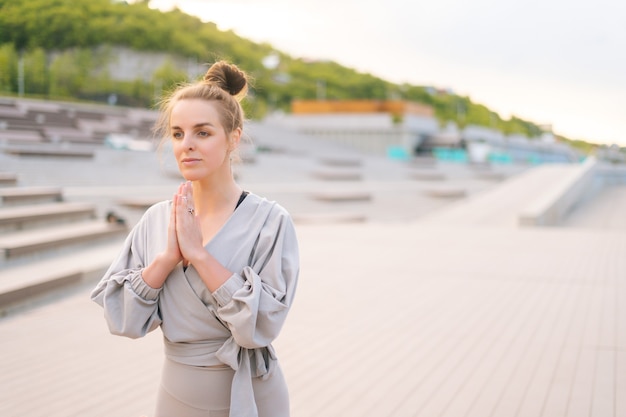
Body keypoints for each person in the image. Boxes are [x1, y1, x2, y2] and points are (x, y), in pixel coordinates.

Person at [91, 61, 299, 417]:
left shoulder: (270, 222)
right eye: (177, 133)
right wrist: (166, 259)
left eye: (202, 133)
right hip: (177, 395)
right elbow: (123, 321)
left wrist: (200, 256)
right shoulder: (156, 220)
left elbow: (262, 326)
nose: (186, 145)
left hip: (252, 394)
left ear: (233, 138)